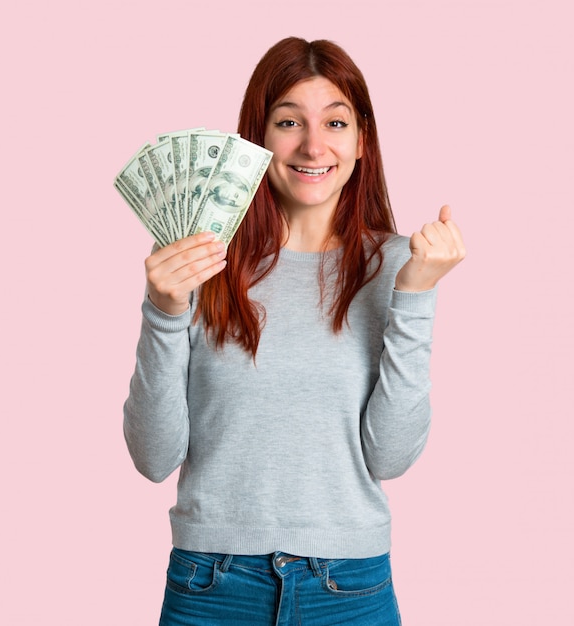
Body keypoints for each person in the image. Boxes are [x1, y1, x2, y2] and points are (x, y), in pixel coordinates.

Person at [123, 37, 466, 626]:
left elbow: (389, 456)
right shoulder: (196, 257)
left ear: (363, 141)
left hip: (349, 586)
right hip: (211, 583)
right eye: (288, 121)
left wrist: (415, 295)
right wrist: (163, 308)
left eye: (335, 121)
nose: (313, 145)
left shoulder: (398, 264)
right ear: (256, 138)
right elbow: (154, 458)